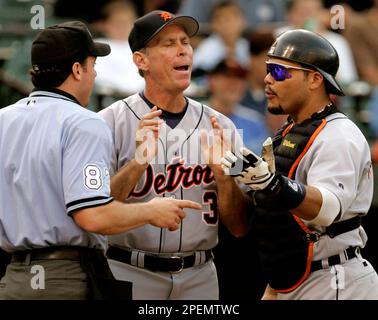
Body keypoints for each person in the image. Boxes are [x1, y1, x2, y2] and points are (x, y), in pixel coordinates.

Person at [0, 20, 201, 300]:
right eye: (92, 65)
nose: (95, 75)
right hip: (63, 276)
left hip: (14, 278)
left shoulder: (4, 118)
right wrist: (150, 211)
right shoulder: (84, 122)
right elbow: (92, 215)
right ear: (77, 69)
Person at [99, 10, 250, 300]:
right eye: (168, 44)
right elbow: (96, 212)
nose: (182, 49)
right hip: (129, 270)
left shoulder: (225, 126)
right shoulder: (109, 122)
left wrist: (224, 177)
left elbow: (241, 226)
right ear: (141, 61)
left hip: (200, 275)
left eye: (186, 42)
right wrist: (138, 162)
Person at [222, 29, 378, 300]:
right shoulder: (288, 132)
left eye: (281, 72)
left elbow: (327, 209)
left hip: (335, 280)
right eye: (268, 69)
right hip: (291, 280)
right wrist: (225, 170)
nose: (268, 79)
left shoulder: (339, 135)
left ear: (315, 79)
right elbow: (253, 219)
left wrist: (270, 182)